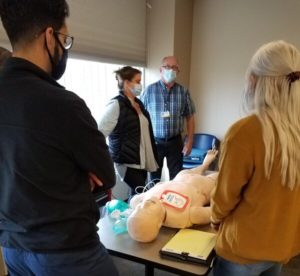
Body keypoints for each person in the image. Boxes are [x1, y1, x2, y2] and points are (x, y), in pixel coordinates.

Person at [0, 1, 119, 275]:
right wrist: (79, 177)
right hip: (67, 251)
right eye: (65, 40)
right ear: (49, 36)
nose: (64, 50)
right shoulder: (63, 104)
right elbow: (106, 176)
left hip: (12, 247)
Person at [210, 40, 300, 276]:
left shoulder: (245, 132)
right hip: (282, 246)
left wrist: (214, 218)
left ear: (255, 80)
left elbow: (224, 198)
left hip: (243, 250)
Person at [127, 149, 218, 242]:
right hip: (204, 185)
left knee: (189, 172)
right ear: (159, 224)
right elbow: (214, 212)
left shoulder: (143, 199)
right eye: (147, 212)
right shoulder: (186, 216)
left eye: (138, 209)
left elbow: (133, 201)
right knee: (222, 176)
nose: (145, 204)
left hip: (181, 177)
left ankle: (204, 165)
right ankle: (207, 167)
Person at [98, 66, 158, 197]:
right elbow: (98, 134)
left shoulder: (138, 104)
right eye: (137, 81)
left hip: (140, 162)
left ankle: (132, 217)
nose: (140, 85)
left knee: (136, 197)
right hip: (126, 163)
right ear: (126, 83)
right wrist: (110, 155)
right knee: (144, 195)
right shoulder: (116, 105)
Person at [141, 56, 196, 182]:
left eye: (174, 67)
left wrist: (190, 141)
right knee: (153, 179)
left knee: (176, 179)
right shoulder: (149, 91)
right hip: (154, 142)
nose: (170, 70)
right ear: (161, 69)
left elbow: (190, 116)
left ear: (178, 71)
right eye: (167, 66)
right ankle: (153, 200)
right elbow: (140, 118)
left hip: (175, 142)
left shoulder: (183, 92)